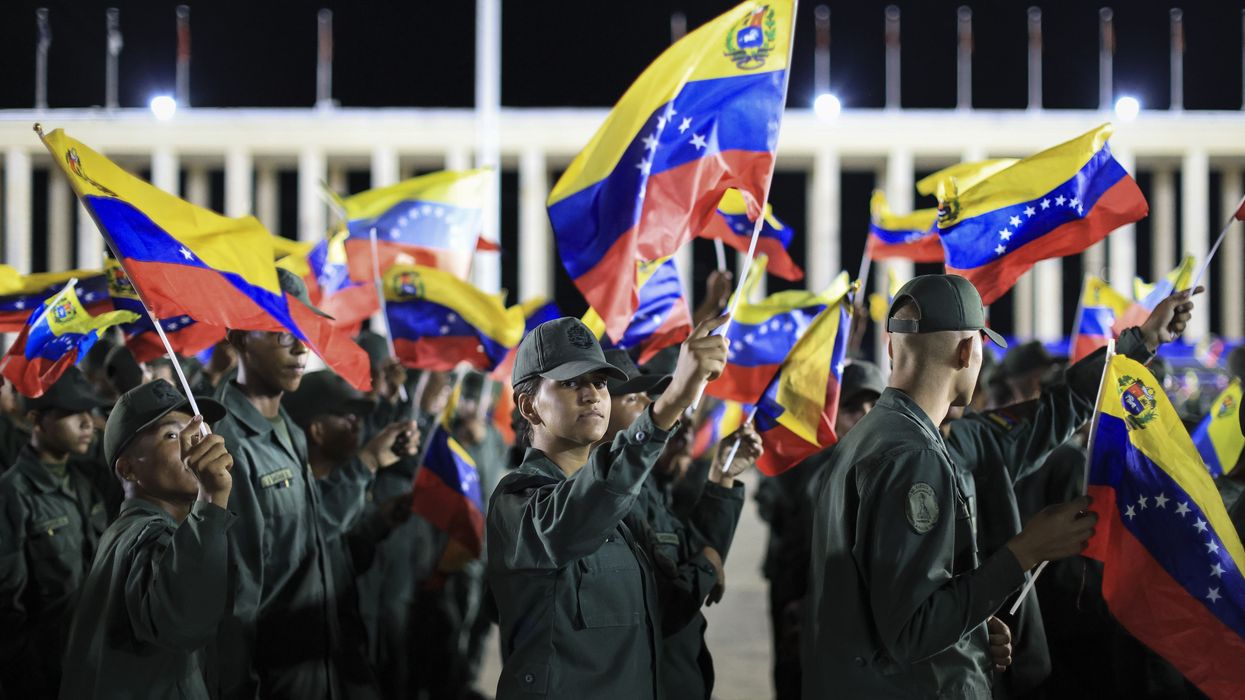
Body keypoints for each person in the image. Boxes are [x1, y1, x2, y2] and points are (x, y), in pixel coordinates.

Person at [802, 274, 1099, 698]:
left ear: (891, 348)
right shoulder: (913, 455)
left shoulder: (867, 437)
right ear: (966, 351)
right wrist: (1027, 550)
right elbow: (912, 630)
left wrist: (968, 629)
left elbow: (886, 603)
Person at [487, 315, 728, 699]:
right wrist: (668, 405)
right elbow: (582, 504)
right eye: (569, 383)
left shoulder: (619, 510)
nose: (592, 394)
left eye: (599, 382)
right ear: (529, 407)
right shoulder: (519, 503)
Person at [210, 269, 350, 699]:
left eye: (300, 329)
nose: (299, 345)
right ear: (237, 337)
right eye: (278, 330)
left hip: (313, 663)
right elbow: (236, 593)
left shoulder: (286, 425)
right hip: (268, 677)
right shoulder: (226, 440)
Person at [59, 380, 234, 699]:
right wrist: (210, 501)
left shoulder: (148, 530)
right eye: (171, 435)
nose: (192, 443)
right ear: (127, 470)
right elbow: (185, 623)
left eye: (197, 430)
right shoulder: (143, 536)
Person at [600, 348, 757, 700]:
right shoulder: (602, 501)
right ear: (599, 411)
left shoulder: (644, 486)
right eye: (635, 398)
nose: (647, 405)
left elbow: (695, 550)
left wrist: (721, 478)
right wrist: (704, 567)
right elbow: (655, 608)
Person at [283, 369, 420, 700]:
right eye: (346, 417)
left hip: (342, 653)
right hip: (305, 666)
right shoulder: (293, 494)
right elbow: (317, 529)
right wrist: (368, 460)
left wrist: (379, 523)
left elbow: (343, 557)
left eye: (359, 416)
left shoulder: (341, 490)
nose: (357, 425)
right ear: (316, 430)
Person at [759, 359, 887, 699]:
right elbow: (798, 550)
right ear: (830, 414)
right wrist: (799, 607)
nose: (864, 414)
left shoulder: (893, 466)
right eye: (851, 408)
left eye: (873, 405)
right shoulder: (813, 473)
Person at [0, 368, 110, 697]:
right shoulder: (13, 495)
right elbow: (8, 610)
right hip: (44, 674)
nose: (87, 423)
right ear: (37, 420)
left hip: (92, 661)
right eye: (72, 414)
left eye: (88, 412)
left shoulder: (84, 481)